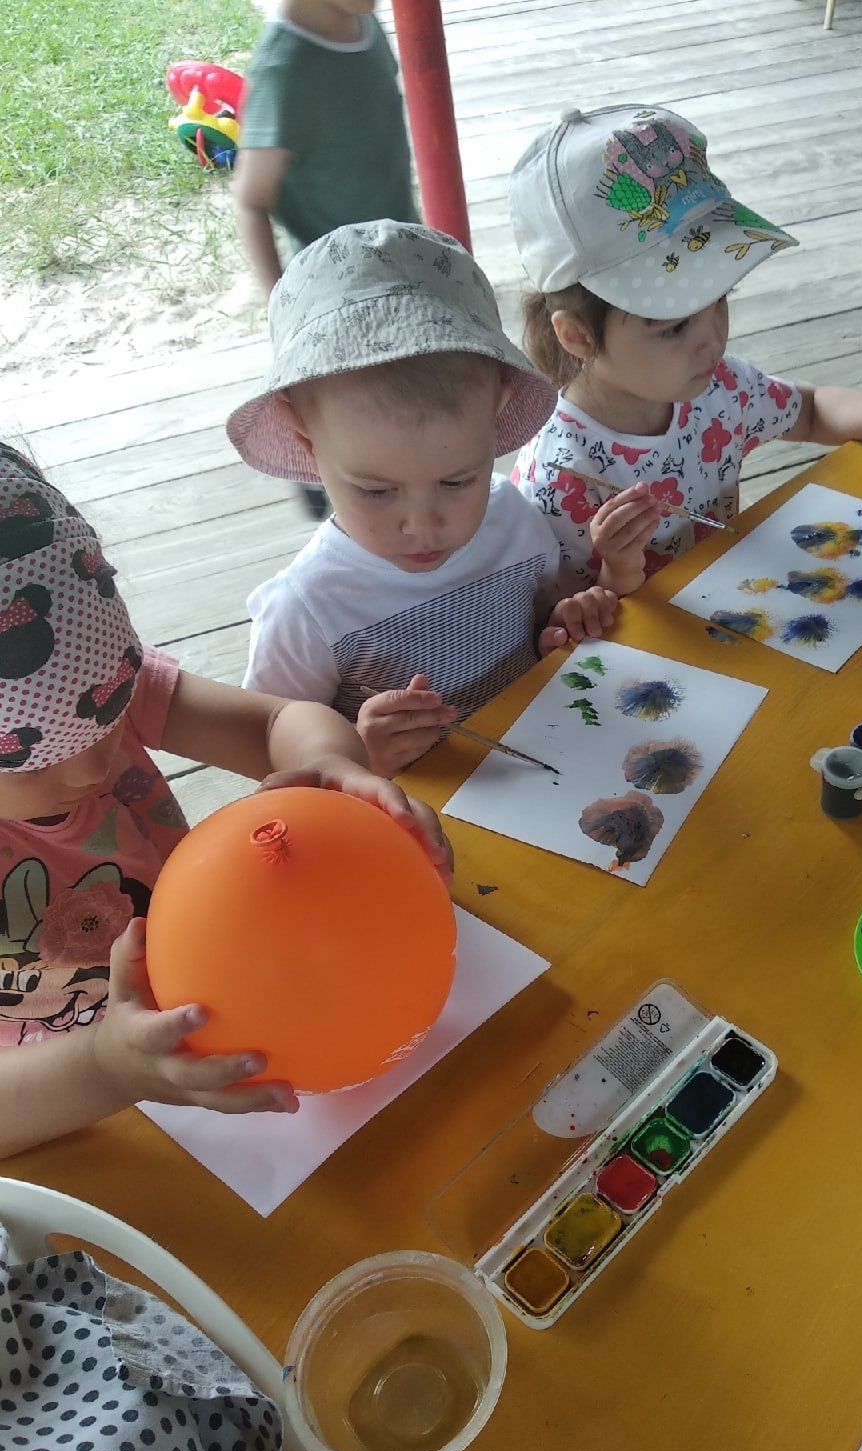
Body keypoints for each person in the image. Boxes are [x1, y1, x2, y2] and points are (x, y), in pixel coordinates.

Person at [0, 442, 450, 1160]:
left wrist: (332, 766)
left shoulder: (90, 685)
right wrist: (109, 1067)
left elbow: (277, 723)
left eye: (110, 709)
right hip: (71, 1123)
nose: (98, 759)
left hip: (235, 992)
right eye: (31, 758)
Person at [228, 220, 625, 778]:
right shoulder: (308, 610)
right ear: (304, 438)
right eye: (377, 491)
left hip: (552, 774)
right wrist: (358, 756)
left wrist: (565, 620)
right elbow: (270, 756)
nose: (423, 524)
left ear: (495, 414)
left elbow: (542, 622)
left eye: (457, 481)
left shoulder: (513, 520)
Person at [507, 104, 862, 596]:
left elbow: (810, 410)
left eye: (720, 300)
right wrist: (618, 569)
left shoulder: (719, 389)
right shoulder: (558, 477)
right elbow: (558, 621)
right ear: (578, 336)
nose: (713, 339)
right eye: (675, 327)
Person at [233, 0, 419, 520]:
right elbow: (251, 200)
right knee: (353, 441)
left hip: (401, 265)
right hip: (335, 295)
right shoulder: (284, 68)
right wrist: (285, 316)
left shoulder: (363, 22)